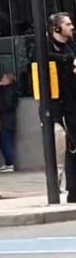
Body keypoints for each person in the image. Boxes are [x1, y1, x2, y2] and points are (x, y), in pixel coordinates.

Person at [47, 12, 76, 201]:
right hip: (59, 108)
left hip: (73, 104)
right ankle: (65, 189)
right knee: (65, 150)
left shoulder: (72, 46)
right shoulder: (48, 49)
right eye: (67, 24)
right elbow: (44, 59)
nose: (72, 26)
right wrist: (69, 61)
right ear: (57, 28)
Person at [0, 73, 20, 172]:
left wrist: (0, 88)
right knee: (3, 141)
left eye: (3, 78)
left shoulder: (9, 91)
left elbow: (6, 104)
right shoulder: (8, 90)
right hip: (6, 119)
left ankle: (10, 163)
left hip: (7, 120)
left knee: (5, 142)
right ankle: (8, 162)